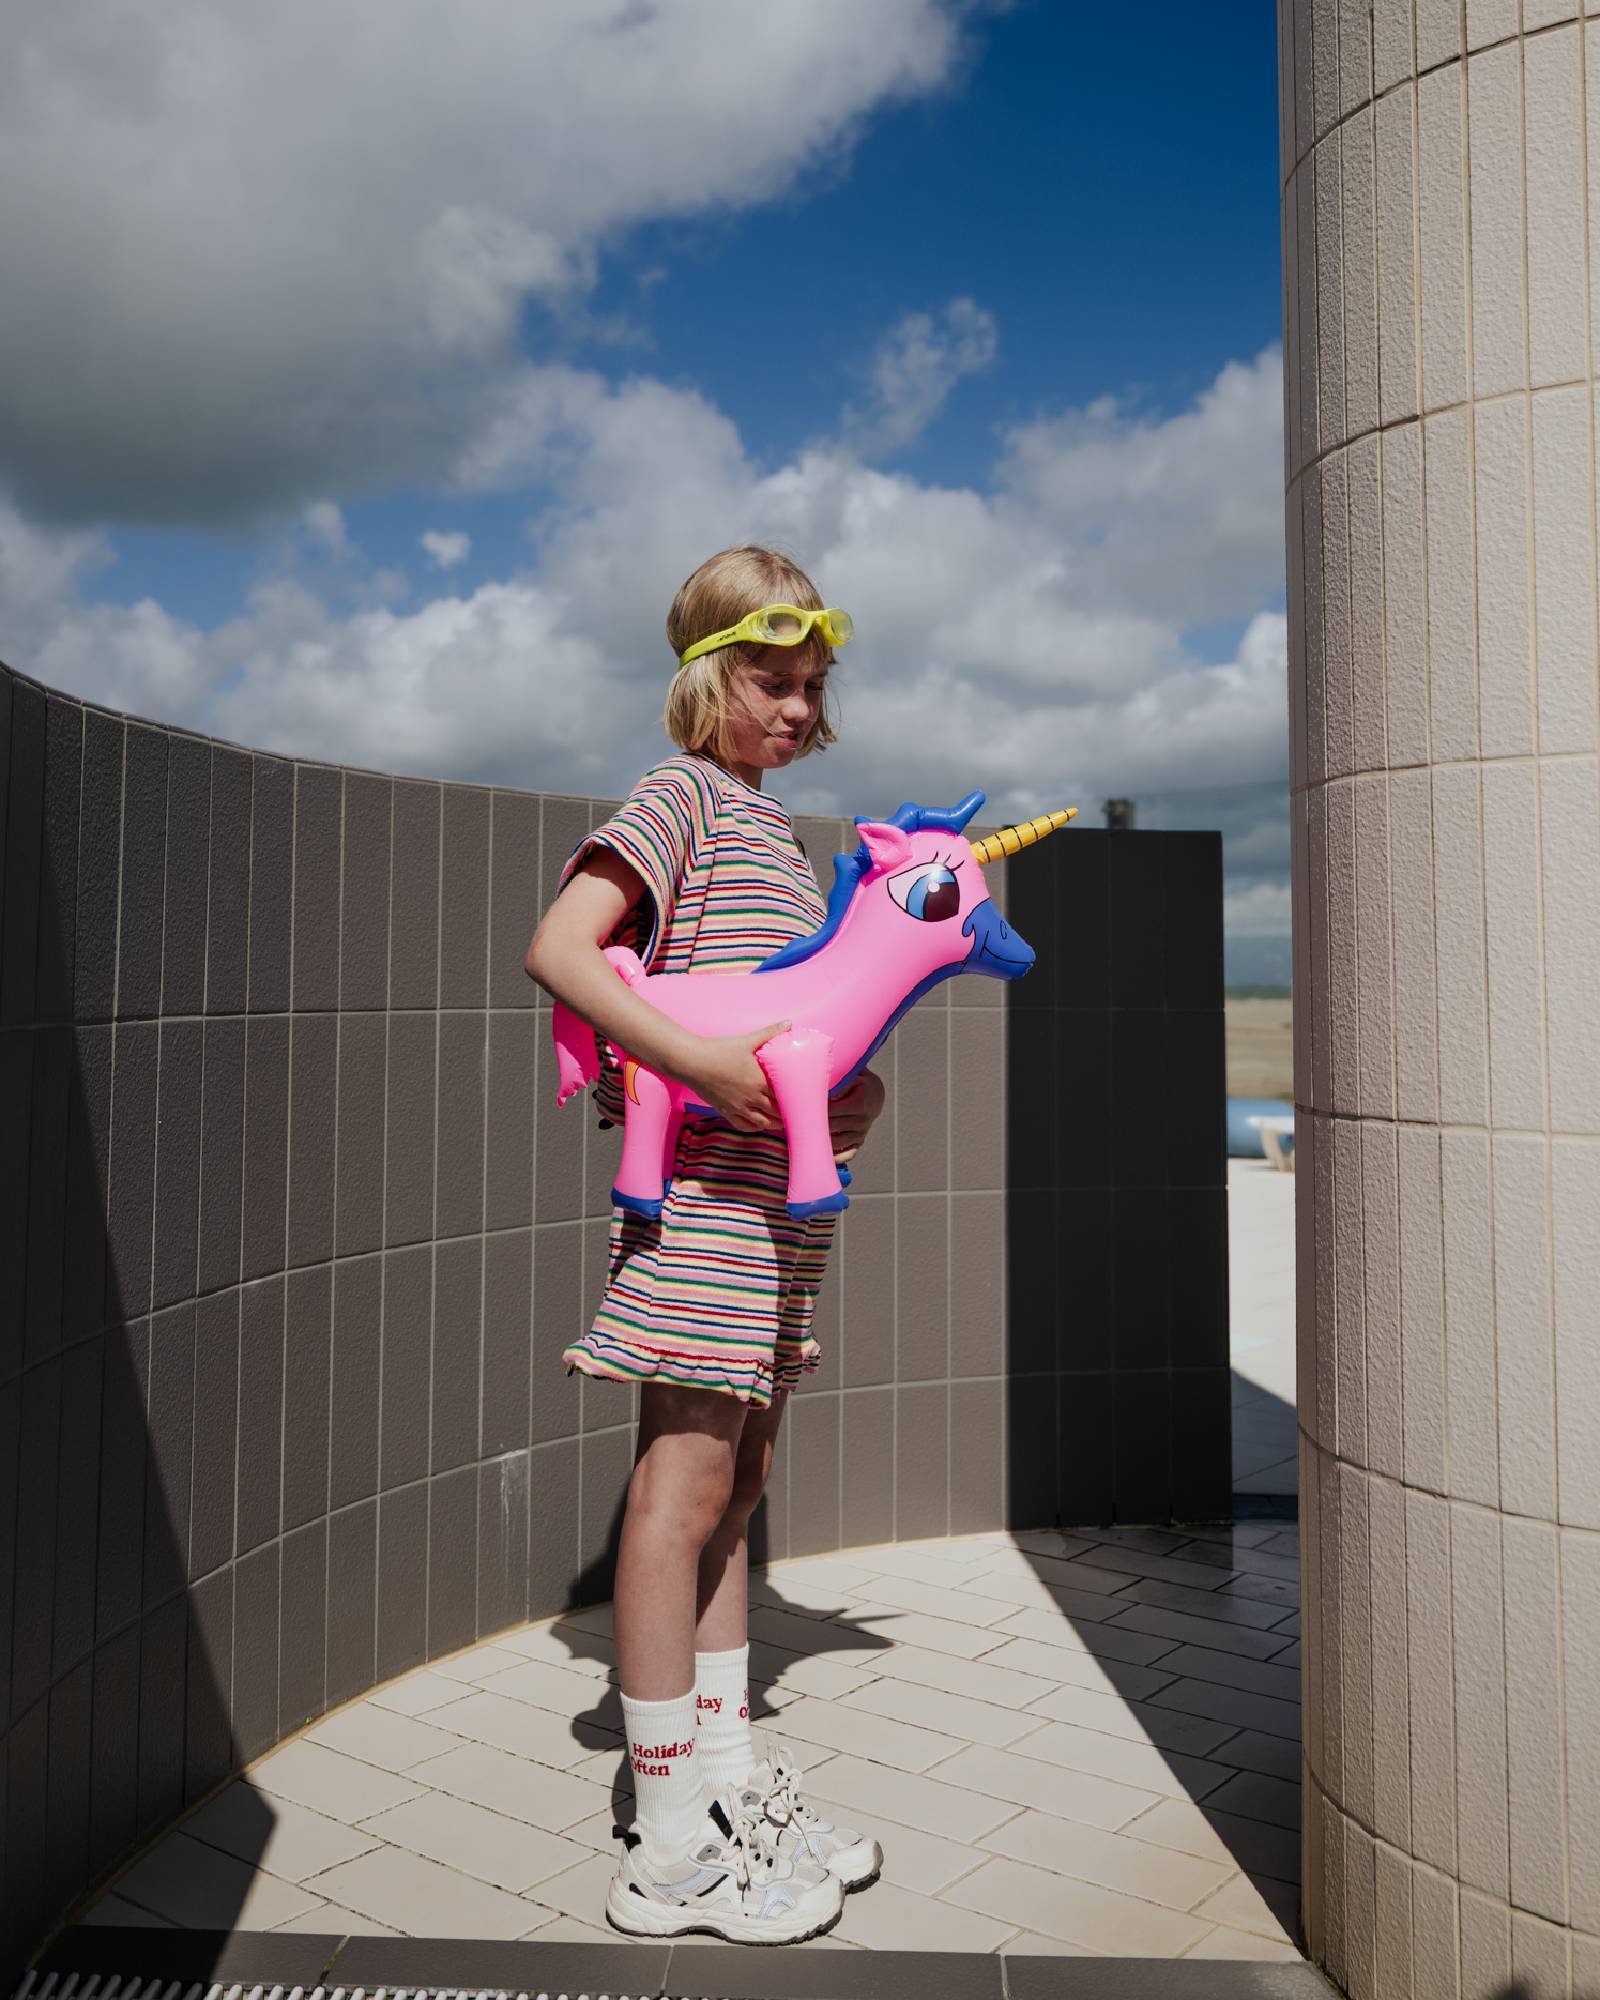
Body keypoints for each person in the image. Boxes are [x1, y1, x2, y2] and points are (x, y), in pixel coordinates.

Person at [523, 545, 888, 1945]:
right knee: (680, 1497)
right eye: (769, 680)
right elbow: (562, 947)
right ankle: (670, 1844)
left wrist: (841, 1089)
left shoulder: (774, 835)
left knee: (741, 1490)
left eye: (812, 687)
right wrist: (701, 1066)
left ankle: (727, 1785)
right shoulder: (680, 797)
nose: (796, 710)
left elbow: (792, 1023)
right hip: (700, 1215)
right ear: (704, 680)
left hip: (774, 1222)